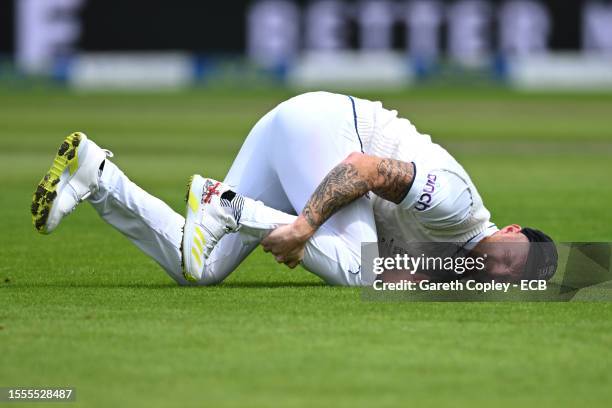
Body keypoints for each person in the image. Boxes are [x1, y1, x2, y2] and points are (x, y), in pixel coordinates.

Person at [31, 92, 557, 286]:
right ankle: (226, 203)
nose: (510, 271)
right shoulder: (458, 206)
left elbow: (397, 268)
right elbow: (365, 168)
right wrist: (305, 227)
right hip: (323, 129)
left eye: (519, 278)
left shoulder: (454, 267)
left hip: (295, 141)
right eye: (520, 257)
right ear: (511, 230)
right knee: (358, 271)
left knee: (201, 268)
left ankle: (96, 176)